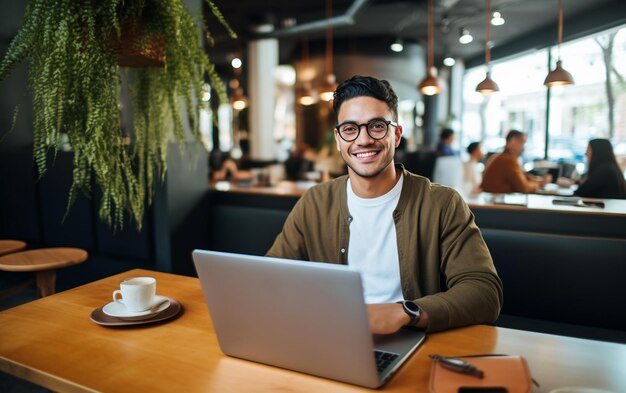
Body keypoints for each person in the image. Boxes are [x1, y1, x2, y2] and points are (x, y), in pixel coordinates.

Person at [267, 75, 502, 334]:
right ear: (338, 138)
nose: (363, 139)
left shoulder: (442, 204)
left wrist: (405, 312)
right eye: (350, 129)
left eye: (377, 126)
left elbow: (484, 292)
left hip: (411, 341)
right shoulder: (314, 202)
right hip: (333, 337)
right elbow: (272, 276)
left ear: (397, 134)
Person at [480, 130, 552, 194]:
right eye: (522, 142)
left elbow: (524, 177)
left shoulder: (500, 157)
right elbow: (524, 188)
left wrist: (539, 180)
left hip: (494, 202)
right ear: (513, 141)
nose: (524, 147)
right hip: (495, 206)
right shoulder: (508, 160)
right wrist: (540, 184)